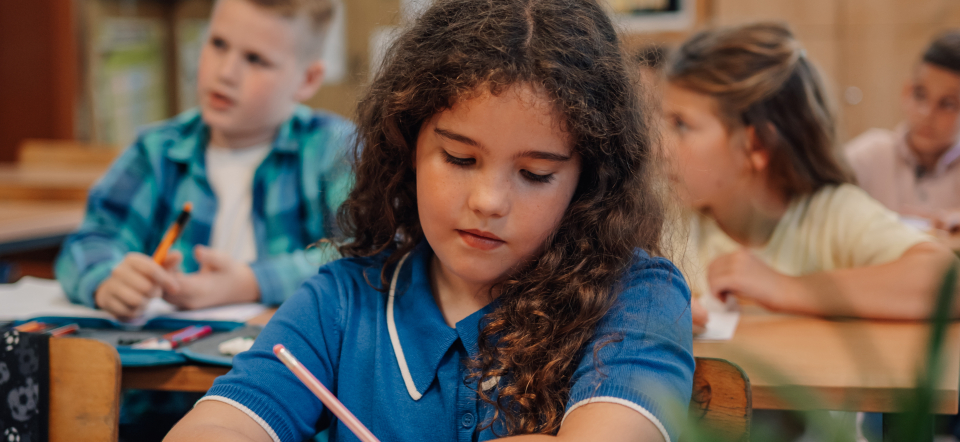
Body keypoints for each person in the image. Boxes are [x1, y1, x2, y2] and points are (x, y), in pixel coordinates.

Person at [165, 0, 695, 441]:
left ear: (588, 182)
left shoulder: (636, 296)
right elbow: (220, 425)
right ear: (406, 145)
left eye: (535, 174)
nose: (489, 201)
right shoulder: (343, 302)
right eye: (460, 159)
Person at [55, 0, 354, 320]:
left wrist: (252, 283)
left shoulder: (335, 149)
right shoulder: (156, 151)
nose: (225, 73)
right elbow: (88, 242)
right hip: (171, 357)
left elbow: (365, 251)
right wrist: (109, 281)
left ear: (308, 79)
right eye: (218, 44)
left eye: (256, 59)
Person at [661, 23, 959, 330]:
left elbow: (949, 283)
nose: (659, 147)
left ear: (756, 145)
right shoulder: (663, 221)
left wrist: (783, 288)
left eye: (680, 124)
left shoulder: (831, 214)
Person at [845, 31, 960, 232]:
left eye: (947, 104)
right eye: (920, 94)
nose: (927, 113)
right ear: (906, 91)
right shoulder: (868, 156)